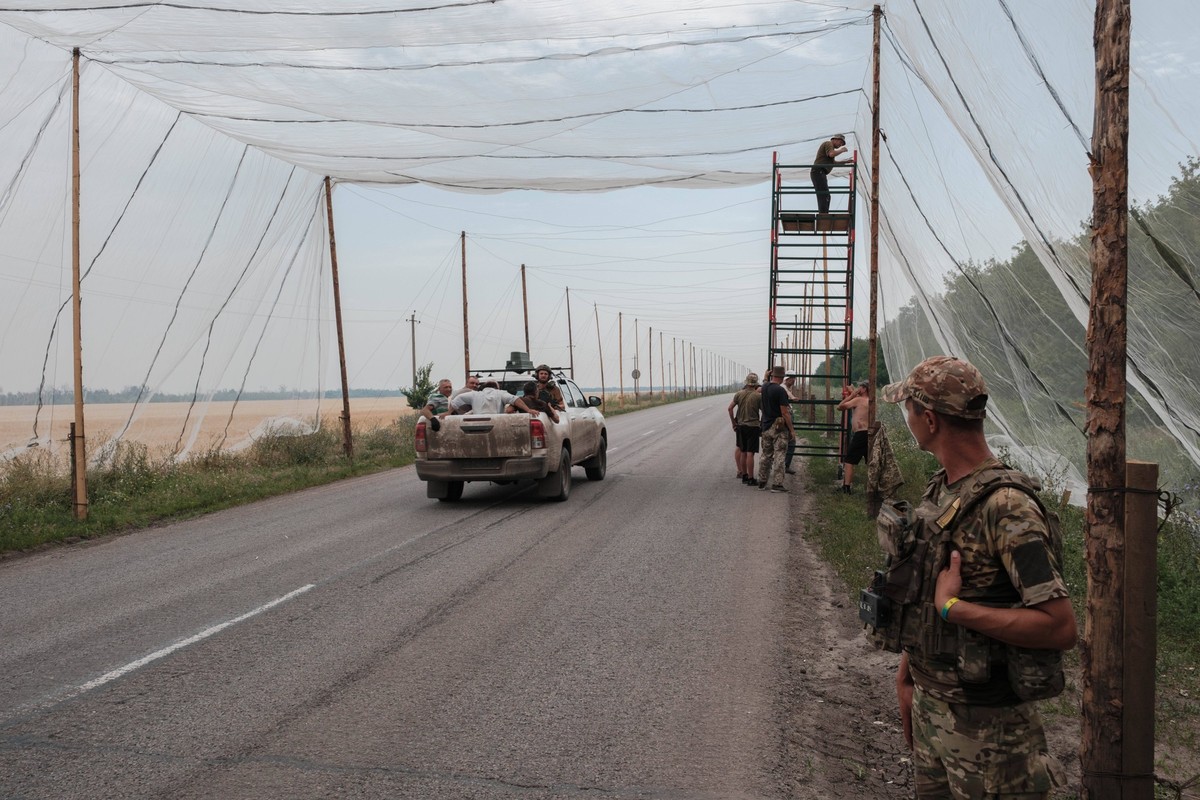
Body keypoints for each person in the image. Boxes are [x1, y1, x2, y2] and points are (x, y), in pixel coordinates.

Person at [880, 355, 1076, 799]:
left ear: (928, 419)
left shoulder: (1008, 507)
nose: (907, 420)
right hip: (934, 713)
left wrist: (955, 609)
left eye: (908, 409)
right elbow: (924, 594)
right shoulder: (943, 488)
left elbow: (1059, 627)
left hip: (993, 736)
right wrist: (908, 676)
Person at [756, 366, 794, 492]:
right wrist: (791, 430)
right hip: (778, 427)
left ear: (772, 375)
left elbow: (763, 384)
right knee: (780, 455)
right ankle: (777, 484)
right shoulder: (780, 391)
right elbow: (784, 412)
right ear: (783, 377)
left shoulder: (765, 387)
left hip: (765, 426)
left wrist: (765, 376)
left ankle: (762, 481)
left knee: (766, 455)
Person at [728, 373, 762, 485]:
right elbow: (764, 410)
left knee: (742, 451)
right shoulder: (758, 396)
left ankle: (744, 476)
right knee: (750, 453)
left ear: (746, 383)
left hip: (741, 426)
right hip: (753, 426)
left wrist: (734, 423)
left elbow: (730, 408)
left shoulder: (739, 394)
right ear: (756, 383)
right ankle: (751, 479)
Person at [835, 381, 869, 494]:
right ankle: (873, 488)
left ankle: (846, 487)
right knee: (870, 461)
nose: (858, 388)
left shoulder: (858, 400)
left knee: (849, 460)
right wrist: (854, 391)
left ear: (864, 389)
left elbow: (840, 407)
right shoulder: (870, 401)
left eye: (860, 387)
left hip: (860, 433)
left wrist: (851, 395)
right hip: (869, 433)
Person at [812, 133, 850, 214]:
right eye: (840, 142)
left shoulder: (830, 148)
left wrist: (845, 162)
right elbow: (831, 154)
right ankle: (823, 215)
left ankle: (824, 213)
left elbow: (833, 163)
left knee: (826, 195)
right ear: (835, 139)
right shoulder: (828, 144)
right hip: (818, 171)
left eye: (842, 144)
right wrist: (841, 150)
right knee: (824, 195)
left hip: (820, 172)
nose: (840, 145)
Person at [451, 379, 534, 416]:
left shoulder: (474, 394)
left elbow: (457, 400)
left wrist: (448, 413)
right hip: (497, 425)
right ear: (497, 388)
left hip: (475, 426)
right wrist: (528, 410)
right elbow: (515, 399)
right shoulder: (501, 393)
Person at [782, 375, 803, 475]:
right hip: (786, 415)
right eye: (792, 378)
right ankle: (784, 465)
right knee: (790, 441)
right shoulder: (783, 387)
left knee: (785, 441)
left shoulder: (786, 387)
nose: (794, 380)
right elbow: (788, 393)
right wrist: (793, 397)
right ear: (786, 379)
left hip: (786, 414)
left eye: (794, 378)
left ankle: (782, 464)